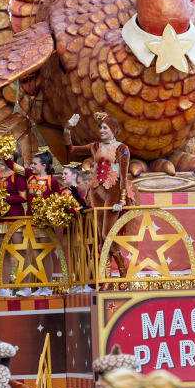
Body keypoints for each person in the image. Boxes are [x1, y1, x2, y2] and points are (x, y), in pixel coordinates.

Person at [64, 112, 134, 276]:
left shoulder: (122, 149)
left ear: (113, 130)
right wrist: (67, 130)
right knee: (100, 237)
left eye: (105, 127)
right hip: (96, 190)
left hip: (113, 189)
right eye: (100, 128)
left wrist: (122, 200)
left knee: (106, 234)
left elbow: (123, 174)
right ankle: (106, 278)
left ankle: (121, 271)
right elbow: (71, 149)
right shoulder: (94, 146)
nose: (101, 130)